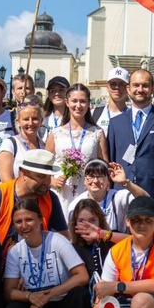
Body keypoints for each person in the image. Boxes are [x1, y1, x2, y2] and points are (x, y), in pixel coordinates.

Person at [2, 199, 90, 308]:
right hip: (37, 307)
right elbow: (8, 291)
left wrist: (50, 293)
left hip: (61, 304)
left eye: (29, 220)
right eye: (18, 222)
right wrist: (30, 296)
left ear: (40, 219)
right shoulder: (15, 251)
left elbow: (82, 276)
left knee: (80, 295)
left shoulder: (56, 240)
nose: (24, 225)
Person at [107, 69, 154, 223]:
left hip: (153, 195)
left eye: (145, 86)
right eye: (136, 85)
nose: (140, 90)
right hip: (121, 194)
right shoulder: (115, 123)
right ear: (128, 89)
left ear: (153, 89)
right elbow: (111, 161)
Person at [45, 83, 108, 217]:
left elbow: (104, 166)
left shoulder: (97, 132)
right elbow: (44, 166)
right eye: (74, 101)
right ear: (67, 102)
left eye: (82, 101)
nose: (78, 105)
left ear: (89, 103)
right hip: (61, 190)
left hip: (87, 190)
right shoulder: (56, 133)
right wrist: (52, 180)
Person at [68, 159, 148, 237]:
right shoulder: (75, 205)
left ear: (108, 180)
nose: (95, 181)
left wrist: (125, 183)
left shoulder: (117, 197)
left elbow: (147, 202)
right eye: (91, 177)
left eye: (100, 177)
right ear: (84, 181)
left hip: (116, 245)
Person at [0, 95, 45, 182]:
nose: (30, 123)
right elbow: (6, 182)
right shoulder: (9, 144)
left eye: (35, 119)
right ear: (18, 122)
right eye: (26, 119)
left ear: (41, 120)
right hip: (15, 195)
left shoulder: (43, 146)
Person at [92, 67, 130, 135]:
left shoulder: (133, 117)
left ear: (127, 88)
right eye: (113, 84)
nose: (117, 87)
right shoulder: (93, 114)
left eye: (121, 84)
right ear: (107, 87)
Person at [41, 76, 69, 141]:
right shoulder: (42, 119)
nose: (57, 93)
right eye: (52, 91)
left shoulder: (75, 119)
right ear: (49, 94)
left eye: (61, 90)